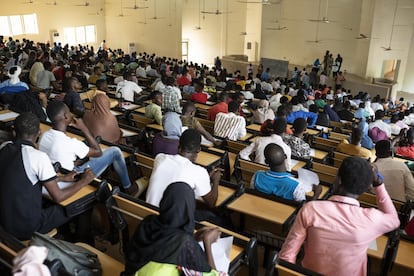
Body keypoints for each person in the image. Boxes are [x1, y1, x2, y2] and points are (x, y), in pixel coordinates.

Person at [279, 156, 400, 276]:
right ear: (366, 188)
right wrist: (378, 184)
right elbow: (394, 220)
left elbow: (286, 257)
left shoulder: (311, 209)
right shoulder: (371, 218)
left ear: (339, 180)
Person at [0, 113, 95, 240]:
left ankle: (64, 233)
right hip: (27, 227)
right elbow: (58, 196)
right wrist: (84, 181)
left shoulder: (3, 147)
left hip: (4, 220)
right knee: (83, 203)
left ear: (13, 131)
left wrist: (61, 178)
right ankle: (78, 243)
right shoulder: (38, 156)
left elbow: (23, 176)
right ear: (39, 132)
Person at [38, 101, 139, 196]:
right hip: (73, 178)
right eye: (69, 112)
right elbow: (98, 152)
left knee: (88, 156)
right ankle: (128, 187)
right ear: (65, 116)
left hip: (53, 177)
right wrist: (84, 128)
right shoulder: (71, 143)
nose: (71, 114)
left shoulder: (44, 136)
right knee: (115, 151)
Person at [125, 182, 221, 275]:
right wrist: (207, 242)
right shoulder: (184, 243)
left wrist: (193, 238)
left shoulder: (147, 222)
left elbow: (162, 247)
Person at [146, 129, 222, 208]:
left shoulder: (160, 158)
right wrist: (216, 180)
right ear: (199, 149)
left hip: (149, 213)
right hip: (168, 219)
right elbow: (211, 202)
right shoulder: (199, 172)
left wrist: (206, 178)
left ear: (178, 145)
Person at [251, 143, 321, 201]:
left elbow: (252, 195)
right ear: (285, 156)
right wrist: (316, 194)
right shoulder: (297, 186)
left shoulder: (257, 175)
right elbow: (304, 209)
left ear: (266, 162)